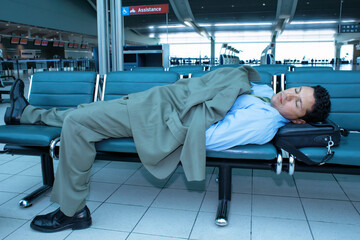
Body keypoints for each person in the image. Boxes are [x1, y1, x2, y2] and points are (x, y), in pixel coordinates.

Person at [4, 66, 330, 232]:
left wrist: (182, 107)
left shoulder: (262, 122)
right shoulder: (262, 91)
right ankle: (24, 113)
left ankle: (73, 212)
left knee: (78, 123)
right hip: (159, 102)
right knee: (83, 115)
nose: (289, 96)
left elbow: (208, 138)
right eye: (295, 90)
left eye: (297, 103)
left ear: (299, 121)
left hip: (158, 117)